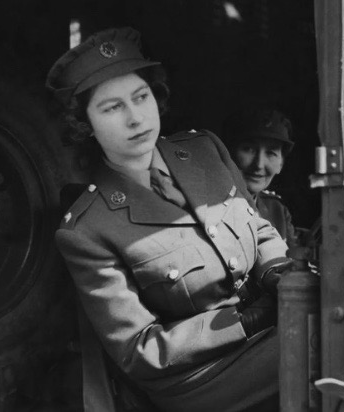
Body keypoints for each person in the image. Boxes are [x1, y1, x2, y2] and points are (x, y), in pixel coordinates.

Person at [46, 27, 291, 412]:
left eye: (140, 97)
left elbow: (258, 229)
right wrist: (245, 320)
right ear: (85, 124)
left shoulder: (205, 150)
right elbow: (139, 350)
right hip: (200, 378)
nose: (134, 118)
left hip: (273, 334)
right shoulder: (85, 230)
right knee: (327, 337)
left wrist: (278, 272)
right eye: (112, 108)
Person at [223, 106, 296, 246]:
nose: (259, 165)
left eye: (271, 153)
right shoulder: (208, 207)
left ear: (280, 164)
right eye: (248, 149)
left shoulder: (277, 211)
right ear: (228, 154)